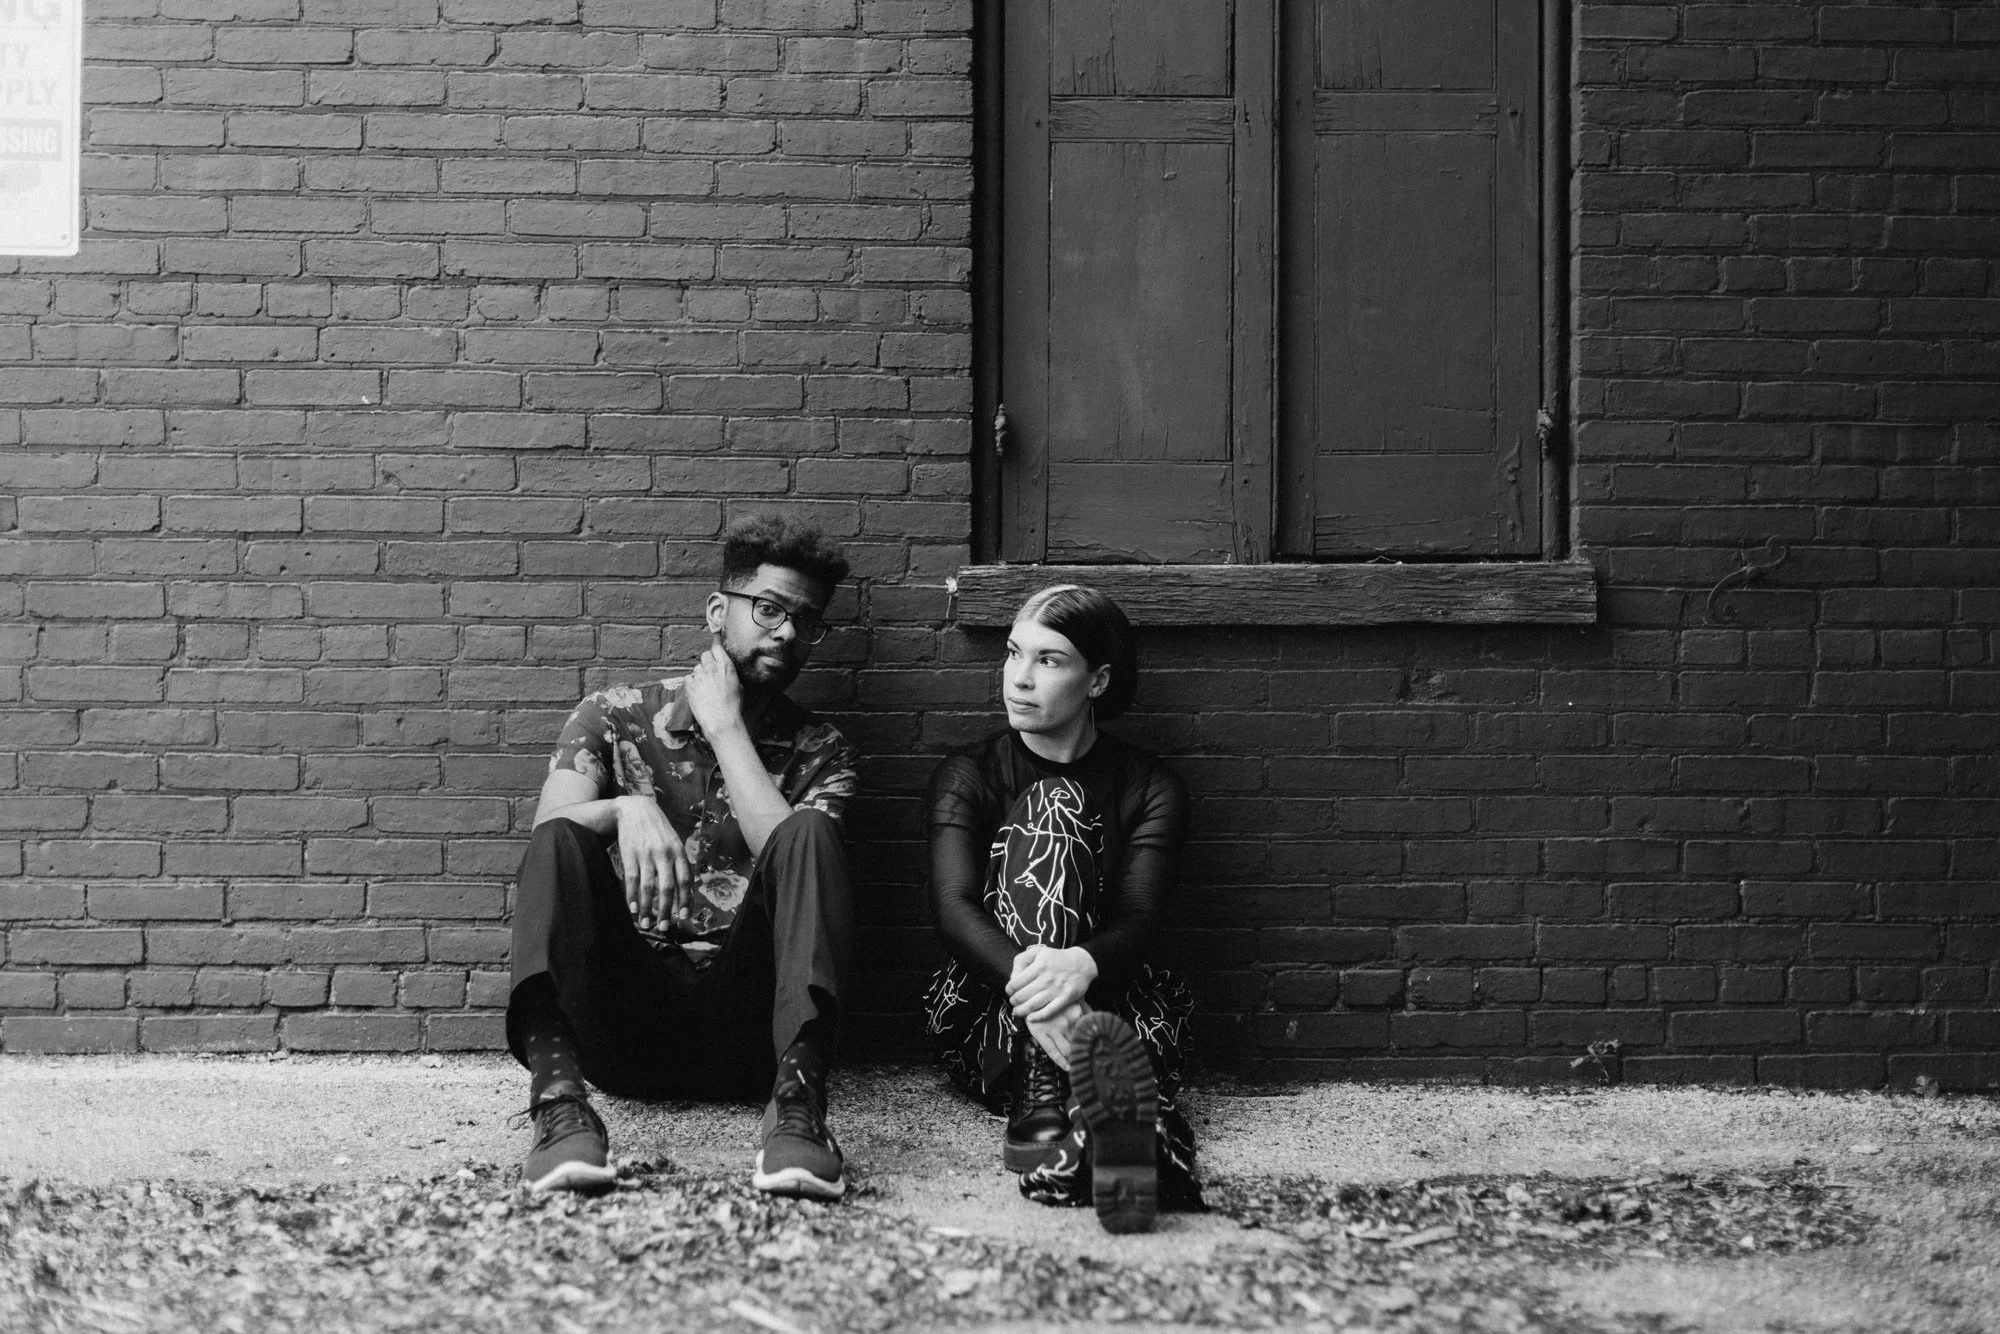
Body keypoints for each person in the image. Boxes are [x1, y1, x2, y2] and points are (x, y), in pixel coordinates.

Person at [508, 513, 859, 1199]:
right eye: (769, 609)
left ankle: (798, 1113)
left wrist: (725, 727)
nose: (787, 633)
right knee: (561, 838)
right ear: (718, 611)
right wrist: (623, 809)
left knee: (810, 835)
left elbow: (789, 854)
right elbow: (549, 842)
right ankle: (558, 1108)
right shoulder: (613, 715)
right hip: (624, 1026)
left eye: (806, 621)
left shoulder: (825, 753)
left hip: (756, 1036)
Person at [922, 584, 1199, 1233]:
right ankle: (1097, 1103)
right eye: (1013, 653)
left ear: (1097, 680)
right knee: (1054, 803)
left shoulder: (1150, 785)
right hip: (987, 1017)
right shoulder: (970, 773)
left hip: (1110, 1005)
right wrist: (1044, 994)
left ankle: (1091, 1131)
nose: (1019, 678)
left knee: (1141, 1023)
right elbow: (952, 908)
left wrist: (1081, 965)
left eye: (1048, 660)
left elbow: (1142, 915)